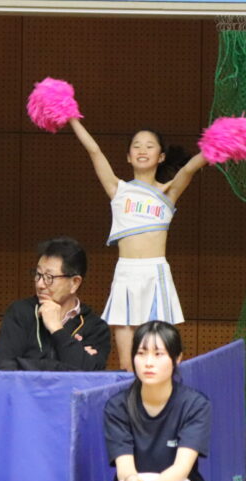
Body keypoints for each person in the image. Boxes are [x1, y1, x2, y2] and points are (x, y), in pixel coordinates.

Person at [69, 119, 208, 370]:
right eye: (136, 146)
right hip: (126, 273)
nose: (142, 150)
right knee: (127, 365)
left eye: (150, 146)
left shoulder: (168, 192)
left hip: (156, 274)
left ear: (161, 156)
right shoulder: (118, 189)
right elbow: (94, 150)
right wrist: (70, 117)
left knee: (160, 358)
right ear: (128, 157)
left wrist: (224, 139)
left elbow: (190, 168)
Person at [98, 321, 216, 481]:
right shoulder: (118, 407)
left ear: (177, 358)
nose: (148, 362)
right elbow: (125, 468)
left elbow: (181, 469)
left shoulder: (195, 405)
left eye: (158, 354)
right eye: (141, 354)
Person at [0, 236, 111, 371]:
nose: (40, 284)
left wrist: (57, 329)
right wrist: (71, 361)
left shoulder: (96, 328)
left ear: (74, 283)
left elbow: (90, 376)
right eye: (38, 274)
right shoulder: (20, 312)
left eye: (49, 277)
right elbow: (4, 369)